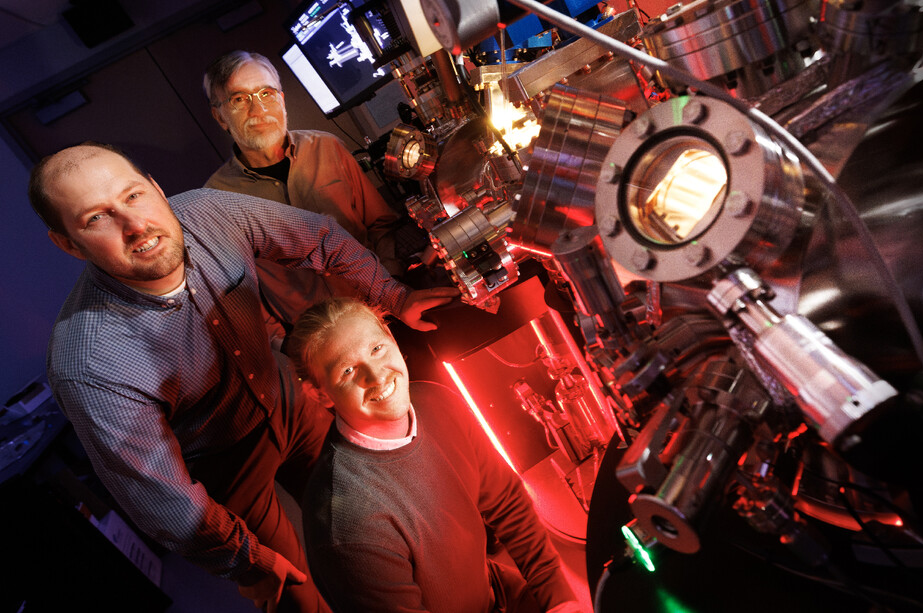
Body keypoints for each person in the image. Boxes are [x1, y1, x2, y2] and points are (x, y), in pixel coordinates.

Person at [29, 142, 458, 613]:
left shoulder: (207, 211)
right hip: (221, 460)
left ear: (155, 188)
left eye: (133, 196)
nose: (135, 226)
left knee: (379, 511)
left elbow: (318, 236)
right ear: (68, 244)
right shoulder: (87, 360)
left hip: (288, 398)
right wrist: (246, 562)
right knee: (297, 592)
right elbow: (161, 496)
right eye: (96, 218)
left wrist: (393, 296)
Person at [286, 297, 584, 613]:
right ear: (319, 394)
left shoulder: (437, 400)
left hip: (496, 592)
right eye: (347, 370)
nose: (376, 377)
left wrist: (559, 599)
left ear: (391, 338)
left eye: (377, 349)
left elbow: (509, 504)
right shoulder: (345, 525)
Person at [203, 50, 403, 345]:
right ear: (220, 116)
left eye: (266, 93)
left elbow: (381, 224)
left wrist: (393, 284)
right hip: (316, 342)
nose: (258, 109)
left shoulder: (328, 147)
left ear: (281, 100)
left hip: (383, 307)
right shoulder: (215, 200)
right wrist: (284, 344)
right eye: (239, 99)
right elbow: (240, 293)